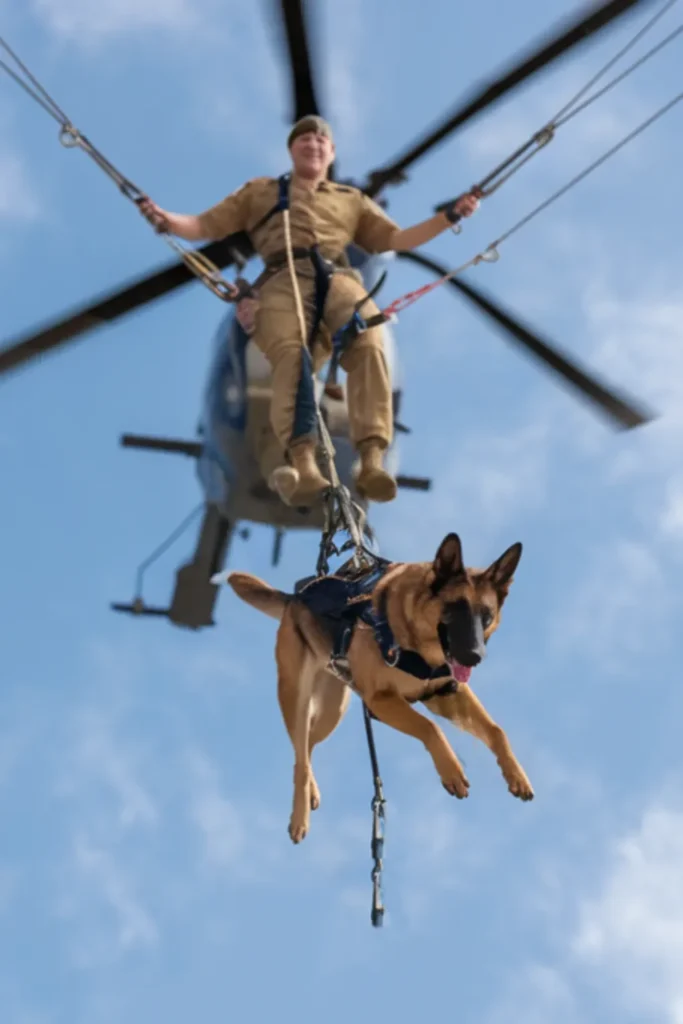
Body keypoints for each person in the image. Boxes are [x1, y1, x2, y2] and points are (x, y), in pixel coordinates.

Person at [139, 116, 480, 506]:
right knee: (289, 353)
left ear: (331, 153)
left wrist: (449, 217)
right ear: (291, 149)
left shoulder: (351, 201)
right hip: (281, 279)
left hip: (338, 279)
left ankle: (370, 459)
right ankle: (302, 461)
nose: (313, 144)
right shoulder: (260, 192)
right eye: (304, 138)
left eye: (322, 140)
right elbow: (204, 225)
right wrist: (166, 220)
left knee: (370, 339)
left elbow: (398, 239)